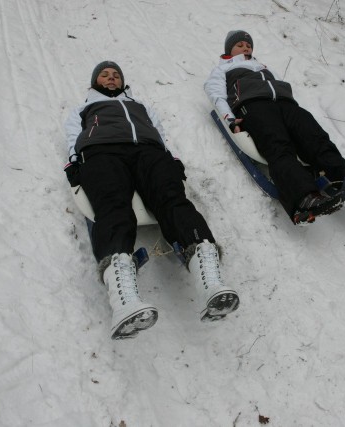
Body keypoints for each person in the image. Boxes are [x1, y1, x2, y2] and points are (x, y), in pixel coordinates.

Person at [64, 61, 239, 339]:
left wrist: (172, 159)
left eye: (116, 75)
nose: (111, 78)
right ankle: (124, 300)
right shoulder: (83, 109)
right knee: (113, 206)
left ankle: (211, 279)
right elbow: (74, 136)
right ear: (95, 82)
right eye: (105, 75)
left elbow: (159, 133)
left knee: (173, 201)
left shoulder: (141, 107)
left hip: (149, 151)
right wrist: (74, 162)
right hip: (101, 152)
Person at [204, 31, 345, 225]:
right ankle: (303, 198)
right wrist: (230, 119)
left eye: (248, 45)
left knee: (319, 143)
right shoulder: (222, 70)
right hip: (253, 106)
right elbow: (217, 95)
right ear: (229, 49)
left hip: (287, 106)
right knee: (278, 147)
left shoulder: (262, 66)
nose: (246, 47)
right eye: (240, 44)